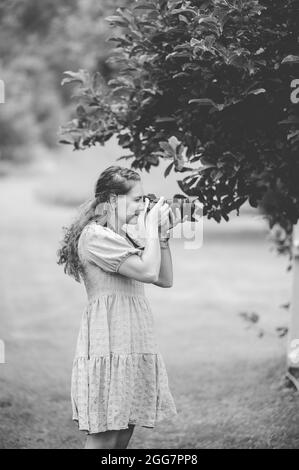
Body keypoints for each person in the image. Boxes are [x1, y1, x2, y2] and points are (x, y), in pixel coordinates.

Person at [57, 165, 186, 449]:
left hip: (132, 340)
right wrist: (151, 226)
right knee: (104, 437)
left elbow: (164, 279)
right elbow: (147, 272)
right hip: (109, 342)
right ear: (113, 200)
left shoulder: (125, 237)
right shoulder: (94, 237)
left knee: (122, 435)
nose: (143, 206)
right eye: (137, 199)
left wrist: (161, 237)